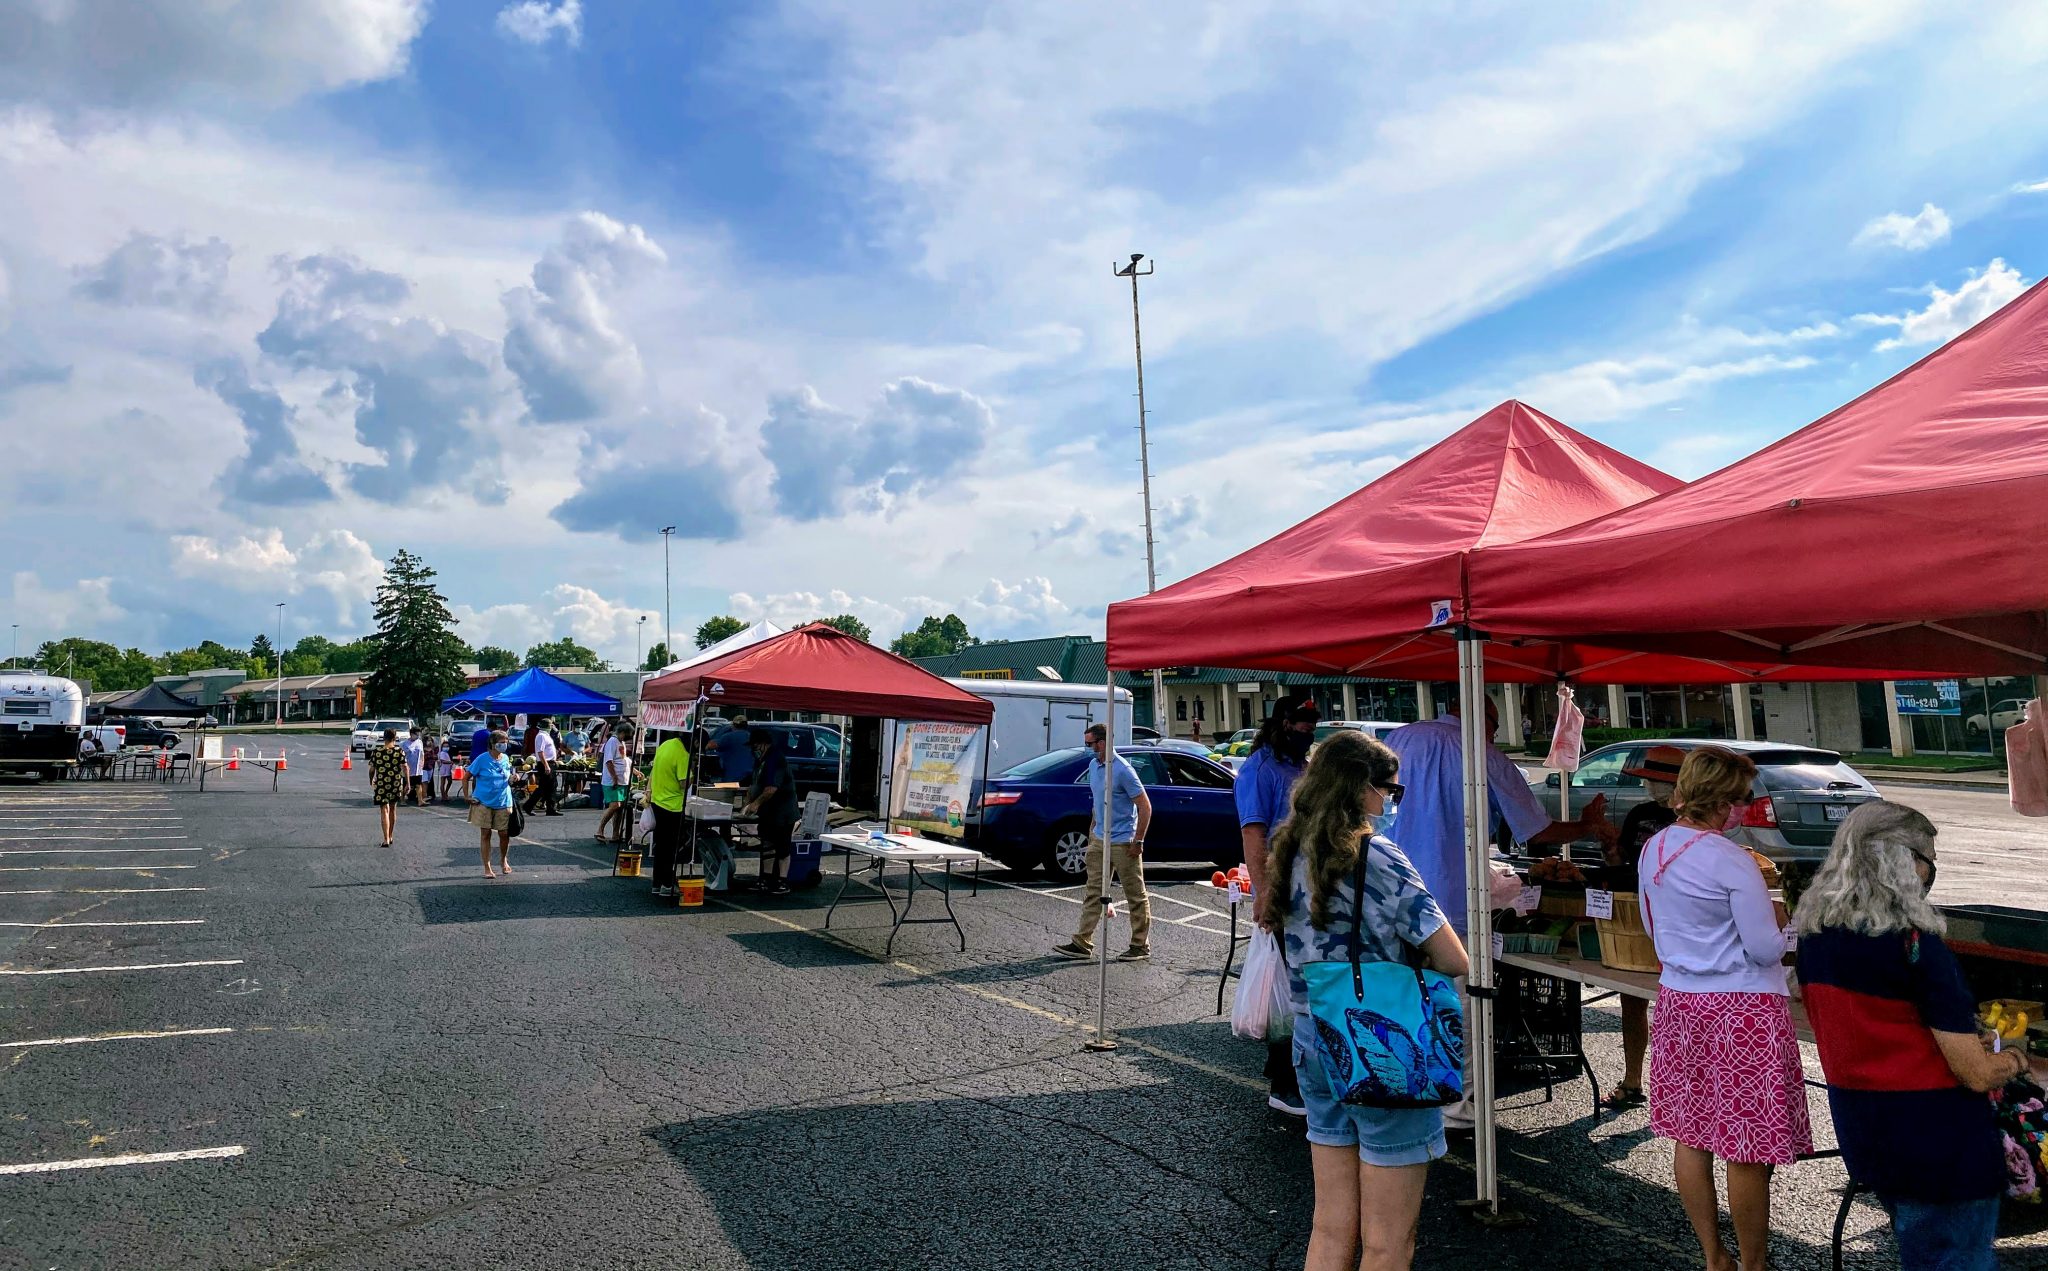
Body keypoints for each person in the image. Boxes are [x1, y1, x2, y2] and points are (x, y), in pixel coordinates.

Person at [1257, 730, 1468, 1271]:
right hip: (1382, 1039)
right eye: (1389, 791)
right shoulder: (1378, 856)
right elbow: (1452, 957)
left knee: (1329, 1228)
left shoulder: (1293, 848)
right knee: (1388, 1241)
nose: (1391, 802)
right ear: (1363, 789)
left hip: (1313, 1033)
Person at [1796, 802, 2021, 1271]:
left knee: (1921, 1255)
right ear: (1901, 863)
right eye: (1926, 860)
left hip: (1868, 1131)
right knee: (1957, 1258)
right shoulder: (1913, 943)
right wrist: (2016, 1061)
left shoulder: (1816, 937)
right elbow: (1976, 1075)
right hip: (1940, 1140)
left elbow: (1876, 1032)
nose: (1929, 873)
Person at [1383, 697, 1615, 1129]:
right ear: (1487, 720)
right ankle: (1455, 1105)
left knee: (1403, 996)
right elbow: (1537, 830)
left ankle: (1405, 1086)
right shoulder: (1484, 752)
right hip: (1452, 897)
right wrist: (1586, 825)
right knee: (1461, 1001)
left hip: (1391, 889)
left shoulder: (1400, 737)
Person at [1639, 746, 1809, 1271]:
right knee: (1747, 1143)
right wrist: (1792, 926)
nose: (1744, 810)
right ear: (1721, 801)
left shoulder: (1655, 848)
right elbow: (1765, 949)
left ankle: (1714, 1255)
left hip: (1679, 1001)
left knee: (1692, 1136)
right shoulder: (1734, 861)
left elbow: (1651, 928)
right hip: (1742, 1011)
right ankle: (1754, 1263)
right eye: (1740, 800)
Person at [1235, 697, 1322, 1116]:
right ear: (1283, 723)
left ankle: (1303, 1073)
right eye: (1302, 726)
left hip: (1310, 889)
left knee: (1304, 985)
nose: (1309, 733)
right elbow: (1254, 837)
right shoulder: (1259, 769)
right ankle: (1283, 1081)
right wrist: (1264, 894)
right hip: (1282, 888)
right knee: (1288, 990)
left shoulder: (1301, 766)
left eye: (1313, 726)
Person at [1600, 743, 1686, 1112]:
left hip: (1678, 923)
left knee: (1677, 1009)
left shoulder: (1690, 820)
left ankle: (1680, 1091)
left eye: (1658, 780)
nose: (1652, 786)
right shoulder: (1640, 813)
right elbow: (1620, 858)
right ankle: (1633, 1079)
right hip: (1634, 917)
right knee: (1631, 1001)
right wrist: (1610, 850)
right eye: (1649, 779)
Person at [1051, 723, 1153, 962]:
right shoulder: (1093, 767)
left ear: (1103, 743)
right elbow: (1098, 804)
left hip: (1123, 841)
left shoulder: (1123, 770)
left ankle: (1140, 945)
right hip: (1099, 839)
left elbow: (1145, 806)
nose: (1087, 749)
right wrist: (1092, 834)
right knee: (1094, 891)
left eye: (1090, 744)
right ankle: (1082, 942)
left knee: (1135, 894)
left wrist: (1138, 840)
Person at [741, 729, 800, 895]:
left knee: (782, 847)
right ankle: (765, 879)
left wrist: (755, 804)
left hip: (783, 811)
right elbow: (754, 783)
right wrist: (748, 801)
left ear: (763, 744)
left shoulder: (775, 759)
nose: (753, 749)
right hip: (768, 812)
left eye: (755, 746)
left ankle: (782, 881)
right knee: (767, 843)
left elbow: (771, 788)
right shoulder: (761, 760)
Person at [463, 728, 517, 878]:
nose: (504, 746)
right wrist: (467, 796)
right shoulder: (481, 759)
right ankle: (487, 867)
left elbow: (508, 776)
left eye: (505, 743)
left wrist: (513, 778)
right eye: (501, 743)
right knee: (485, 833)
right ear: (492, 744)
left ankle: (503, 860)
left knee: (504, 833)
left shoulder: (506, 758)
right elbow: (465, 777)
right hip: (484, 802)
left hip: (503, 801)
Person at [646, 731, 691, 898]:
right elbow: (683, 783)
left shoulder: (666, 745)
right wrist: (693, 773)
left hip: (658, 800)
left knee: (661, 846)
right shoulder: (683, 755)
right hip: (673, 805)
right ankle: (667, 883)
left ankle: (657, 883)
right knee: (670, 847)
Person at [596, 724, 635, 845]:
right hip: (613, 781)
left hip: (622, 780)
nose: (627, 738)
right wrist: (614, 778)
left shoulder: (620, 742)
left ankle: (615, 834)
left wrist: (634, 771)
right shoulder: (612, 742)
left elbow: (625, 760)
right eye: (627, 735)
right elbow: (609, 761)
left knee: (620, 808)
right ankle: (600, 830)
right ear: (622, 731)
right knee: (615, 805)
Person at [367, 728, 406, 849]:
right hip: (395, 783)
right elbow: (405, 767)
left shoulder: (377, 751)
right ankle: (390, 835)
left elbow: (372, 769)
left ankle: (385, 839)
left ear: (384, 738)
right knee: (393, 808)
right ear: (395, 738)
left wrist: (371, 780)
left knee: (384, 809)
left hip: (381, 783)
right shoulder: (399, 751)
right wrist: (408, 783)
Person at [528, 716, 561, 816]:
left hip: (550, 762)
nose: (552, 726)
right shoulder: (541, 736)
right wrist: (546, 765)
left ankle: (551, 808)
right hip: (545, 763)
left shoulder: (546, 735)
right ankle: (528, 806)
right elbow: (540, 751)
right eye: (551, 725)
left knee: (551, 787)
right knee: (543, 787)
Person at [712, 715, 754, 785]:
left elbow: (711, 746)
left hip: (731, 779)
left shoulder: (727, 737)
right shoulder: (752, 737)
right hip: (750, 778)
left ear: (733, 725)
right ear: (746, 725)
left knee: (729, 795)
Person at [401, 725, 426, 806]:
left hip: (418, 768)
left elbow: (422, 753)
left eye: (419, 734)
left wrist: (422, 762)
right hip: (408, 768)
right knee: (407, 785)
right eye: (416, 734)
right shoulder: (404, 744)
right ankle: (402, 799)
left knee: (418, 784)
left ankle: (420, 800)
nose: (418, 736)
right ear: (411, 734)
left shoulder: (419, 742)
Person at [435, 736, 455, 802]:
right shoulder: (442, 753)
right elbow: (443, 761)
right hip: (443, 768)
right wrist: (450, 762)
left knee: (450, 781)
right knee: (443, 782)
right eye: (444, 746)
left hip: (448, 769)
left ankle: (446, 793)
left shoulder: (447, 753)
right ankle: (443, 796)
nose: (446, 747)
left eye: (447, 746)